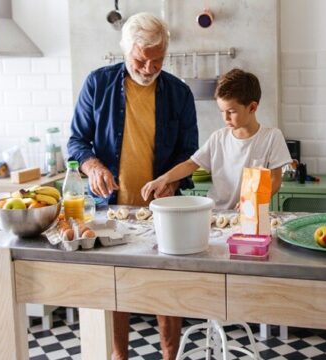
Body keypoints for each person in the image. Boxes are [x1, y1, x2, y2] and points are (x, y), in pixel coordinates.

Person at [67, 12, 198, 360]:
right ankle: (118, 355)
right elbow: (77, 142)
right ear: (126, 50)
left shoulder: (179, 93)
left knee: (166, 288)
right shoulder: (97, 84)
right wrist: (92, 166)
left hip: (163, 210)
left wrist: (174, 183)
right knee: (115, 285)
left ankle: (171, 355)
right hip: (111, 206)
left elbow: (190, 153)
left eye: (158, 60)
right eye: (142, 59)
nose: (149, 67)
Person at [141, 68, 291, 209]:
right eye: (222, 111)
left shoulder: (272, 137)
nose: (225, 118)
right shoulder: (218, 138)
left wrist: (255, 199)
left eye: (231, 112)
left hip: (251, 215)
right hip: (216, 213)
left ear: (252, 107)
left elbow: (275, 181)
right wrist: (163, 179)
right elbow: (190, 164)